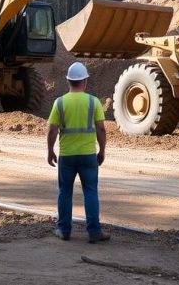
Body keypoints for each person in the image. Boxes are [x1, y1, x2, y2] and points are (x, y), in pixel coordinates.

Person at [46, 62, 109, 243]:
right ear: (85, 81)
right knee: (91, 192)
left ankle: (64, 230)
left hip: (66, 156)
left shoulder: (60, 102)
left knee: (64, 191)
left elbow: (52, 130)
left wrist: (50, 151)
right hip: (88, 155)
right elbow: (101, 129)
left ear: (68, 81)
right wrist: (102, 151)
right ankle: (94, 232)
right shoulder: (93, 102)